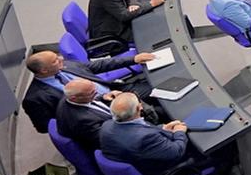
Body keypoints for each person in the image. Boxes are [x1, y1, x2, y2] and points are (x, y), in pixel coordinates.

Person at [99, 92, 226, 175]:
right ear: (139, 108)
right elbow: (176, 151)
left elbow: (140, 131)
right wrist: (179, 132)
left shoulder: (107, 126)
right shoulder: (143, 138)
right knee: (218, 152)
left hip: (140, 165)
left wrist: (163, 128)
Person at [21, 47, 158, 133]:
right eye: (55, 61)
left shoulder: (67, 65)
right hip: (101, 112)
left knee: (157, 87)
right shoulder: (35, 98)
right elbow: (45, 127)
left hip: (114, 90)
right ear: (44, 70)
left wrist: (133, 59)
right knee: (155, 112)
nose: (61, 59)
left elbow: (98, 65)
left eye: (57, 56)